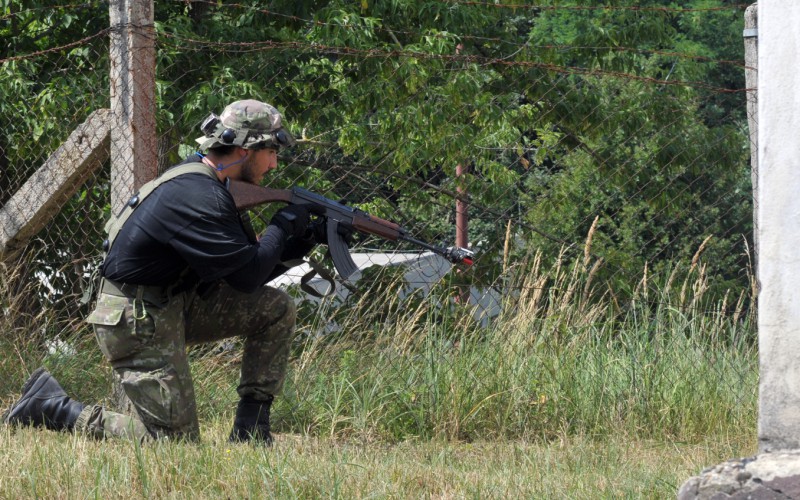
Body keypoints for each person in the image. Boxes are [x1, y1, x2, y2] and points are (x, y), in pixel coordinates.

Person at [3, 99, 320, 444]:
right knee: (175, 443)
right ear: (245, 149)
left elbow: (244, 273)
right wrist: (281, 226)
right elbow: (246, 276)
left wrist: (303, 242)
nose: (274, 163)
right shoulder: (199, 195)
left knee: (274, 308)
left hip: (167, 306)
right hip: (134, 318)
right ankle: (53, 407)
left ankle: (251, 430)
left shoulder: (208, 186)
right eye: (271, 150)